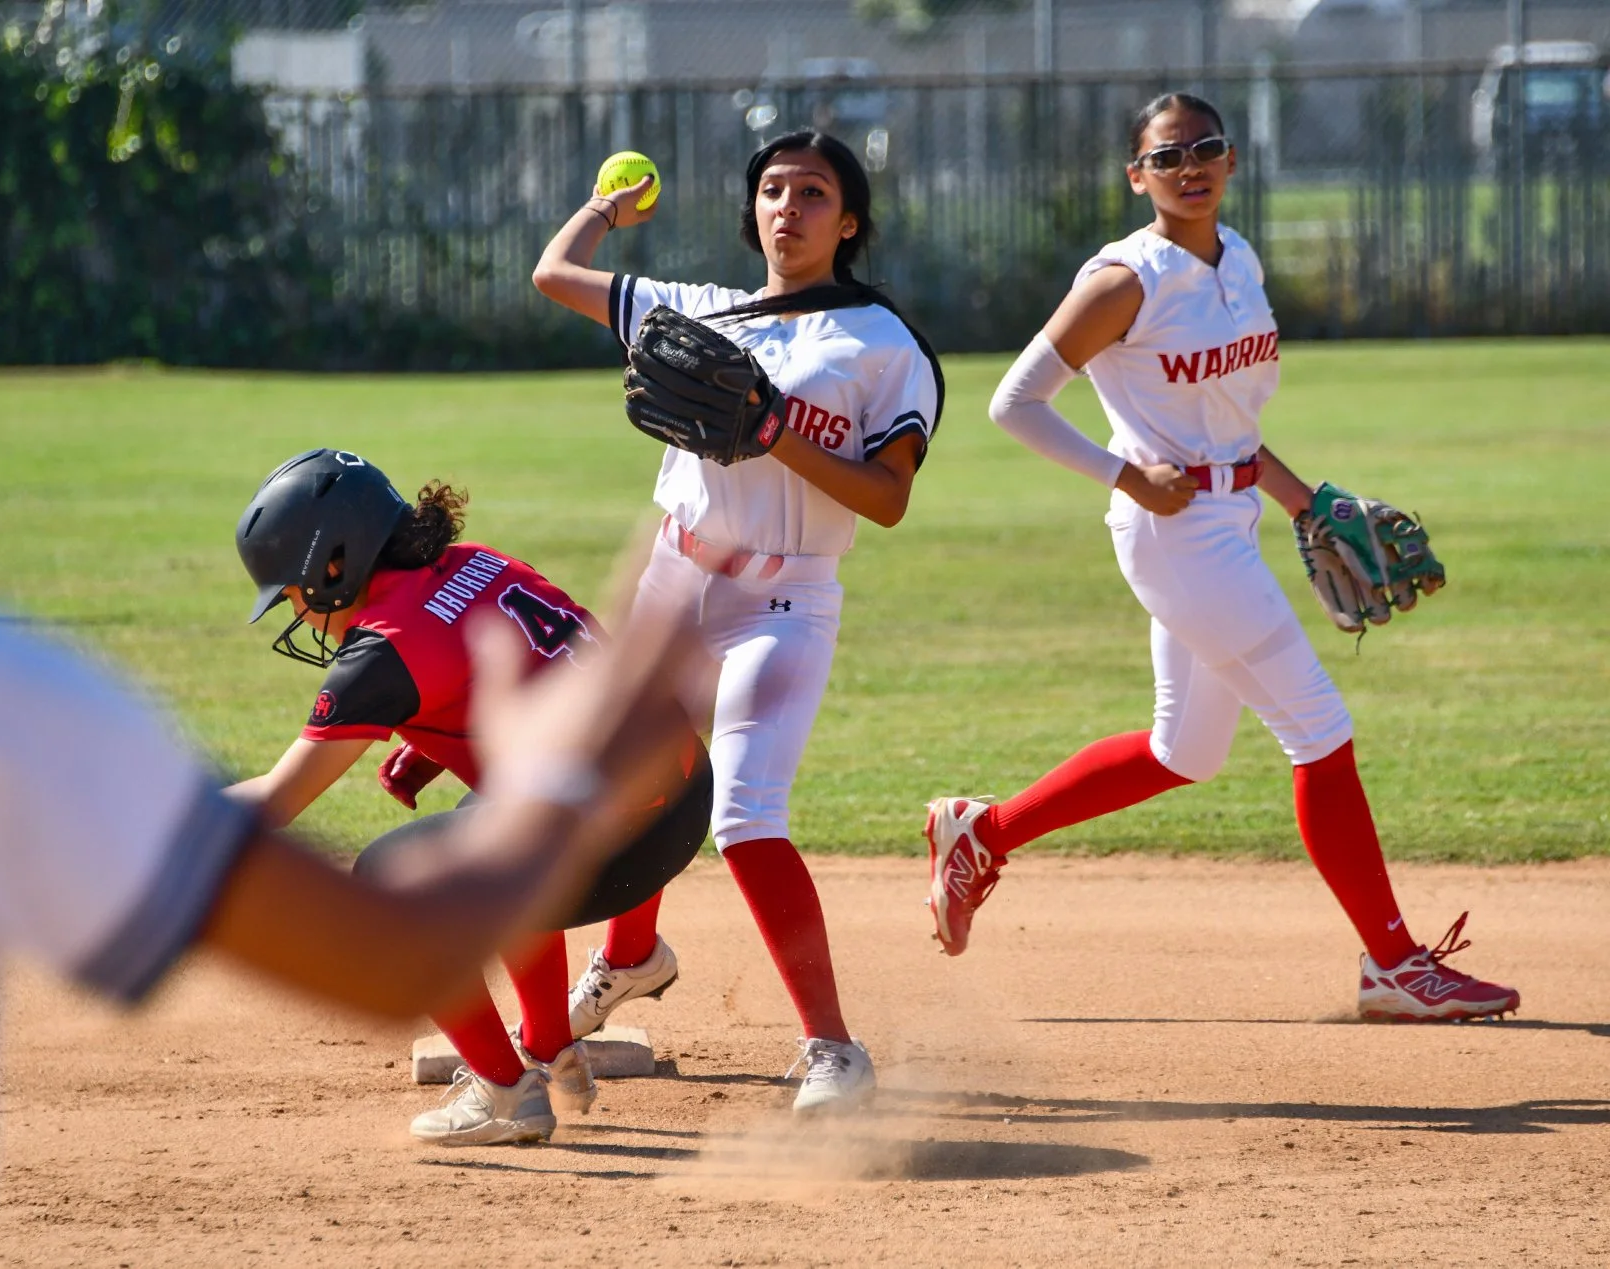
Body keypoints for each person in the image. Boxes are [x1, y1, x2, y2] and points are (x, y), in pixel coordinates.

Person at [0, 71, 695, 1268]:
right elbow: (386, 942)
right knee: (430, 848)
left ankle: (522, 1068)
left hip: (616, 825)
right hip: (655, 800)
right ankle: (530, 1060)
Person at [928, 91, 1518, 1023]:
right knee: (1319, 726)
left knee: (1184, 751)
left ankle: (983, 831)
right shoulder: (1126, 279)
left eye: (1206, 148)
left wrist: (1305, 501)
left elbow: (1230, 427)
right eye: (1167, 156)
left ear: (1232, 159)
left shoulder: (1236, 259)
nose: (1189, 165)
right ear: (1138, 176)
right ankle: (1395, 963)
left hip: (1230, 516)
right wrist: (1123, 474)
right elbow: (1015, 401)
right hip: (1173, 533)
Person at [533, 130, 945, 1109]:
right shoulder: (701, 311)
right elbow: (554, 275)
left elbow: (884, 500)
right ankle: (628, 959)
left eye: (811, 193)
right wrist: (605, 210)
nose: (786, 207)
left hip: (784, 598)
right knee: (609, 784)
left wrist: (771, 432)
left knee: (742, 814)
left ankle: (833, 1050)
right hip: (671, 583)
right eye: (771, 189)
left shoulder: (881, 344)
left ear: (846, 223)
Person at [226, 451, 711, 1146]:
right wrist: (431, 744)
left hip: (619, 846)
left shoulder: (379, 652)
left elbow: (277, 797)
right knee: (489, 820)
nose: (295, 609)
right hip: (684, 792)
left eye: (290, 592)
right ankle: (548, 1045)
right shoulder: (479, 562)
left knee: (386, 880)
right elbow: (552, 669)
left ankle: (506, 1090)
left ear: (332, 565)